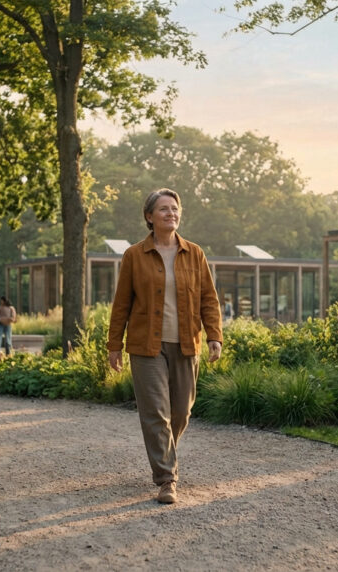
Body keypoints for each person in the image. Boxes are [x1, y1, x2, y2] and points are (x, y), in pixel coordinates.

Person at [107, 188, 223, 505]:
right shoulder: (134, 255)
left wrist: (214, 335)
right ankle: (167, 478)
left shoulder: (195, 254)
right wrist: (114, 345)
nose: (171, 213)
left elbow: (209, 299)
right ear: (149, 217)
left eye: (174, 208)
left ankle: (164, 454)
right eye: (163, 209)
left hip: (186, 343)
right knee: (156, 412)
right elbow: (121, 304)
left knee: (180, 412)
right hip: (146, 346)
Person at [0, 296, 15, 362]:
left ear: (4, 301)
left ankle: (8, 356)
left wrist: (7, 319)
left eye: (1, 300)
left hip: (8, 325)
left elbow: (13, 318)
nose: (0, 302)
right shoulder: (1, 307)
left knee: (8, 341)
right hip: (1, 325)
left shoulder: (11, 308)